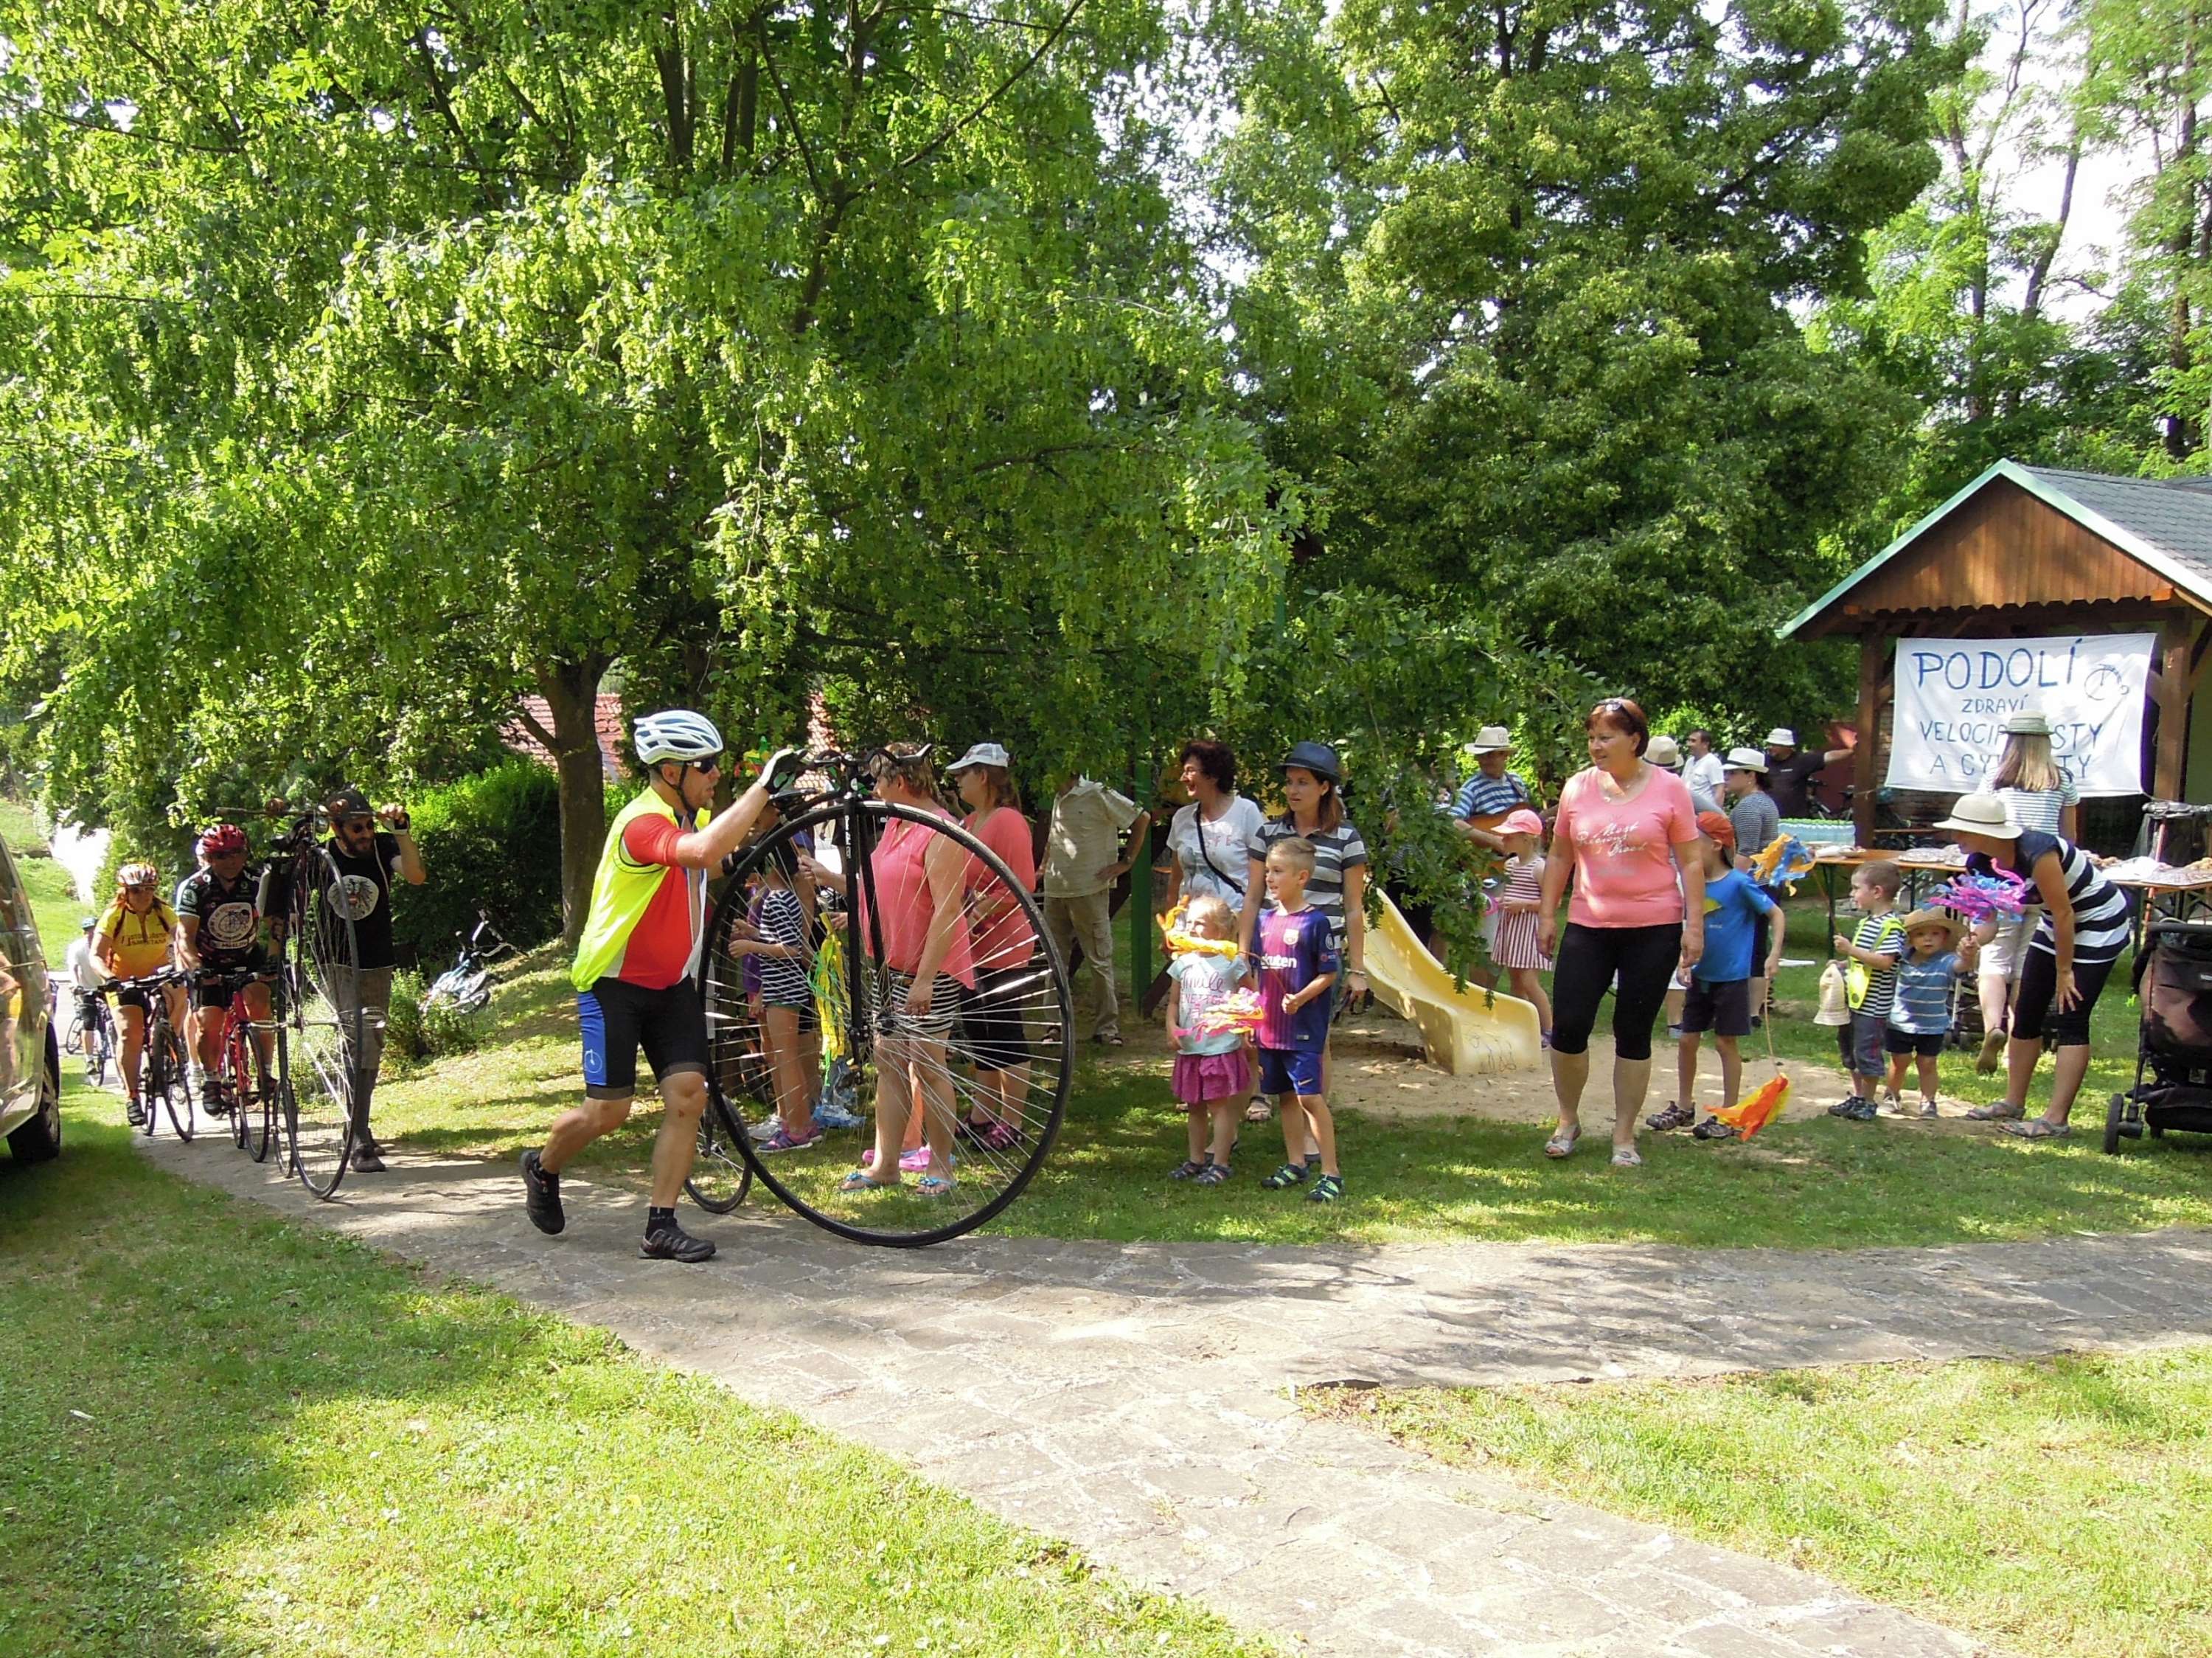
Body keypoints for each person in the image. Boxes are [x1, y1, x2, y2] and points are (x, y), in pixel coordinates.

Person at [521, 712, 793, 1263]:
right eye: (706, 766)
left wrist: (761, 833)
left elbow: (708, 863)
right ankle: (543, 1167)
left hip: (671, 986)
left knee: (689, 1096)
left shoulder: (689, 818)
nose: (716, 775)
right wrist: (763, 787)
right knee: (608, 1113)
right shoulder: (641, 824)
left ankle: (661, 1224)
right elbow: (698, 854)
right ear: (671, 772)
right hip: (614, 985)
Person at [1536, 698, 1703, 1168]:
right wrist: (1547, 915)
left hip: (1654, 926)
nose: (1596, 746)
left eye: (1606, 737)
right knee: (1569, 1026)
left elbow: (1691, 861)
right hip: (1588, 924)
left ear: (1635, 740)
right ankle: (1567, 1120)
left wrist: (1694, 926)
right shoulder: (1577, 787)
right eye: (1592, 737)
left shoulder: (1670, 788)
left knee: (1633, 1030)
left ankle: (1624, 1135)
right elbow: (1559, 856)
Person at [810, 747, 979, 1195]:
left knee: (928, 1065)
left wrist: (925, 981)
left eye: (878, 782)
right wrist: (833, 884)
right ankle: (886, 1165)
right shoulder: (896, 827)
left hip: (930, 970)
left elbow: (947, 911)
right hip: (890, 966)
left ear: (899, 782)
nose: (874, 791)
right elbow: (881, 888)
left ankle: (941, 1167)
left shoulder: (941, 831)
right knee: (889, 1061)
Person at [1936, 793, 2129, 1140]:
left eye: (1962, 831)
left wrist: (2065, 971)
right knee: (2026, 1012)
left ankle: (2056, 1119)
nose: (1956, 837)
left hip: (2098, 923)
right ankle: (2013, 1102)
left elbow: (2065, 912)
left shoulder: (2038, 852)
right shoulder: (1979, 863)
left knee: (2071, 1015)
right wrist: (1975, 940)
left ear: (1986, 831)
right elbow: (1989, 921)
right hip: (2056, 924)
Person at [318, 787, 425, 1171]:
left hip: (378, 960)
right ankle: (359, 1138)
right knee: (358, 1039)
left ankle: (358, 1123)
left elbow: (415, 875)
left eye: (368, 825)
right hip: (338, 961)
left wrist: (401, 831)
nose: (365, 834)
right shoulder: (323, 857)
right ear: (336, 829)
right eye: (356, 828)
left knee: (372, 1043)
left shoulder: (382, 848)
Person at [1968, 710, 2081, 1072]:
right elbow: (2069, 837)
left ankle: (1992, 1027)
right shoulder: (2062, 779)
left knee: (1993, 959)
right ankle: (2017, 1040)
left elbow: (1980, 824)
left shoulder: (1995, 777)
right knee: (2026, 963)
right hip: (2044, 875)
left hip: (2000, 875)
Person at [1653, 813, 1778, 1137]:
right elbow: (1691, 928)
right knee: (1686, 1040)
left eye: (1694, 840)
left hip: (1732, 978)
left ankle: (1730, 1113)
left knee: (1725, 1043)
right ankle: (1684, 1106)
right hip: (1702, 976)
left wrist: (1773, 955)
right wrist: (1684, 963)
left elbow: (1776, 914)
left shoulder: (1739, 883)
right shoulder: (1693, 884)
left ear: (1716, 845)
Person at [950, 742, 1038, 1150]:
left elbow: (1021, 884)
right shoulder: (970, 822)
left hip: (1003, 944)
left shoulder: (1008, 821)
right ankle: (982, 1112)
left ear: (983, 776)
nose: (957, 781)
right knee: (979, 1031)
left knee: (1004, 1030)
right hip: (974, 945)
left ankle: (1013, 1119)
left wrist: (978, 911)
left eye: (963, 774)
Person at [1250, 840, 1343, 1202]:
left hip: (1303, 1030)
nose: (1270, 878)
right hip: (1271, 1029)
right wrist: (1253, 1018)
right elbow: (1259, 975)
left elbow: (1328, 973)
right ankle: (1295, 1163)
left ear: (1302, 877)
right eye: (1268, 871)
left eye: (1278, 871)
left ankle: (1331, 1173)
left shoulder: (1315, 923)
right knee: (1285, 1097)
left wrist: (1301, 998)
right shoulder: (1264, 920)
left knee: (1310, 1099)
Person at [1041, 772, 1150, 1046]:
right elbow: (1056, 836)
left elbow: (1142, 818)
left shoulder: (1098, 792)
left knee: (1098, 959)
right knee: (1054, 960)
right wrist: (1043, 866)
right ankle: (1054, 1027)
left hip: (1089, 890)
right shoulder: (1057, 796)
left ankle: (1107, 1029)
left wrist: (1126, 862)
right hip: (1055, 890)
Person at [726, 844, 821, 1154]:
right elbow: (780, 938)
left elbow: (791, 949)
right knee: (785, 1057)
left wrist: (751, 947)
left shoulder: (778, 899)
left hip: (784, 990)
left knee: (786, 1058)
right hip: (782, 988)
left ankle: (797, 1130)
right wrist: (753, 933)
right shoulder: (785, 898)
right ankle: (802, 1123)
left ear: (772, 867)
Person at [175, 823, 274, 1114]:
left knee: (260, 1003)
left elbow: (276, 923)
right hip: (208, 960)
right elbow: (185, 936)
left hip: (247, 955)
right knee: (209, 1022)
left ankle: (266, 1073)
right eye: (221, 856)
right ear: (209, 858)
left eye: (237, 853)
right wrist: (197, 968)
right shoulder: (195, 887)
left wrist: (274, 957)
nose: (231, 861)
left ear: (245, 854)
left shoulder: (258, 880)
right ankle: (211, 1080)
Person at [1161, 895, 1252, 1184]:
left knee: (1219, 1105)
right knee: (1195, 1105)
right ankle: (1196, 1159)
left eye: (1200, 923)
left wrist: (1246, 1027)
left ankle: (1221, 1163)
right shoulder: (1183, 963)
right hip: (1191, 1047)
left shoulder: (1232, 964)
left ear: (1220, 930)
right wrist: (1171, 1026)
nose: (1192, 928)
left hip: (1220, 1047)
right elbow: (1174, 1002)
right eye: (1189, 922)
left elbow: (1250, 998)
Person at [96, 862, 185, 1128]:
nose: (144, 895)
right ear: (125, 892)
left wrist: (186, 966)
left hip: (158, 974)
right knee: (130, 1033)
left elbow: (182, 942)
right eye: (136, 890)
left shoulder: (163, 912)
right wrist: (109, 978)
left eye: (149, 889)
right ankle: (132, 1096)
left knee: (181, 991)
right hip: (124, 980)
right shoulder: (115, 915)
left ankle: (167, 1043)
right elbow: (96, 955)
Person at [1828, 861, 1904, 1121]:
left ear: (1877, 892)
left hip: (1873, 1006)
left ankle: (1869, 1102)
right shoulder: (1868, 922)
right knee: (1850, 1051)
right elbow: (1864, 958)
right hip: (1855, 1001)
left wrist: (1851, 950)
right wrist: (1844, 963)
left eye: (1856, 888)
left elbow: (1885, 961)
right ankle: (1859, 1096)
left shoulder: (1891, 926)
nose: (1852, 894)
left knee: (1867, 1053)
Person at [1885, 909, 1976, 1119]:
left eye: (1935, 934)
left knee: (1927, 1063)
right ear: (1910, 939)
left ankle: (1928, 1101)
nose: (1928, 939)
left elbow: (1961, 966)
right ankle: (1892, 1095)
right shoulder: (1901, 959)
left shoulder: (1947, 961)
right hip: (1899, 1022)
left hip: (1933, 1025)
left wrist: (1969, 956)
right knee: (1899, 1061)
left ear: (1945, 938)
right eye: (1920, 934)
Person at [1160, 740, 1266, 915]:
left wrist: (1249, 923)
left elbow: (1261, 877)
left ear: (1213, 775)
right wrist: (1169, 923)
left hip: (1233, 921)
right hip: (1190, 924)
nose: (1183, 778)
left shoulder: (1246, 812)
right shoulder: (1181, 818)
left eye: (1190, 771)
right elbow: (1176, 880)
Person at [1487, 808, 1554, 1043]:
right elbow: (1509, 892)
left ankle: (1549, 1029)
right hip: (1512, 929)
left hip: (1529, 930)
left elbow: (1551, 902)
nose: (1504, 840)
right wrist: (1498, 902)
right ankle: (1525, 1027)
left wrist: (1523, 905)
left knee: (1529, 981)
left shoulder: (1539, 867)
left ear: (1526, 839)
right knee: (1516, 981)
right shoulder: (1510, 865)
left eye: (1509, 836)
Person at [1452, 726, 1534, 854]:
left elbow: (1527, 822)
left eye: (1489, 755)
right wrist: (1493, 841)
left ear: (1504, 755)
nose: (1483, 760)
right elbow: (1452, 822)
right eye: (1480, 756)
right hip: (1491, 862)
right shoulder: (1472, 788)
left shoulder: (1516, 781)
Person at [1763, 727, 1854, 819]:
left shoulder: (1802, 761)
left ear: (1787, 746)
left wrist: (1853, 750)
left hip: (1794, 820)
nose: (1770, 748)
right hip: (1767, 818)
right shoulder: (1763, 761)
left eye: (1774, 745)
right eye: (1769, 744)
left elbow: (1829, 756)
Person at [64, 917, 106, 1076]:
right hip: (87, 988)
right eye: (89, 932)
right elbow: (73, 969)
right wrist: (76, 985)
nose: (92, 935)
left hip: (106, 987)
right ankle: (89, 1059)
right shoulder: (77, 948)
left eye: (95, 931)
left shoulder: (107, 944)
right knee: (88, 1023)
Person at [1682, 729, 1726, 815]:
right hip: (1688, 812)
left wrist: (1717, 815)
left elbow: (1719, 790)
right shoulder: (1690, 761)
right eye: (1689, 740)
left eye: (1693, 741)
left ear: (1705, 744)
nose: (1689, 744)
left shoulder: (1712, 762)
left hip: (1704, 814)